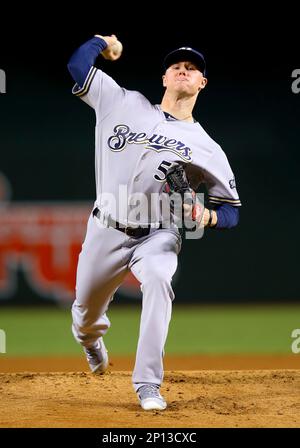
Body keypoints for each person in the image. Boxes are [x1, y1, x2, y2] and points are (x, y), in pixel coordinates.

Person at [67, 34, 241, 411]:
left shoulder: (207, 147)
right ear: (164, 77)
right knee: (85, 316)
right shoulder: (123, 102)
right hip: (106, 228)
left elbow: (231, 211)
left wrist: (206, 215)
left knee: (160, 279)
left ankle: (148, 383)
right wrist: (102, 41)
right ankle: (91, 341)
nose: (183, 69)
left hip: (159, 234)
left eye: (192, 68)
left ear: (201, 83)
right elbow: (78, 66)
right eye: (176, 65)